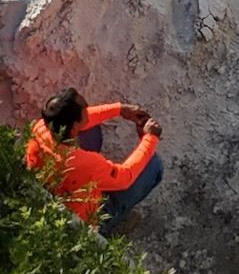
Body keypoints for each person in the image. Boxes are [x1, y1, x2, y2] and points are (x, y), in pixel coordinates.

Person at [25, 87, 164, 234]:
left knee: (91, 131)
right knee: (153, 165)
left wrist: (120, 109)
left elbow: (84, 119)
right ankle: (107, 228)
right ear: (74, 126)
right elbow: (125, 177)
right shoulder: (83, 163)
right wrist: (150, 138)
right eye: (84, 107)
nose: (88, 107)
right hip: (83, 222)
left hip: (58, 193)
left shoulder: (41, 126)